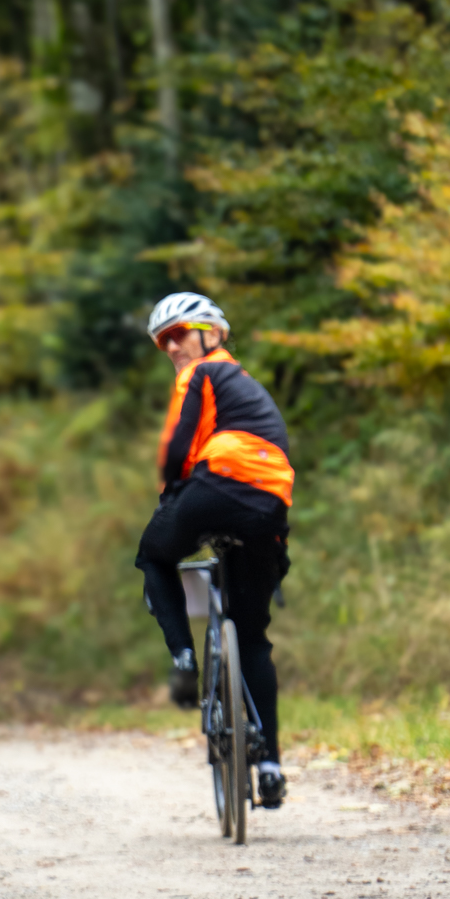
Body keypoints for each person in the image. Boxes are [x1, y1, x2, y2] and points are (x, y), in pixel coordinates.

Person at [135, 292, 293, 809]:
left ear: (212, 334)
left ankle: (184, 659)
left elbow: (179, 449)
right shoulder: (250, 388)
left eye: (178, 333)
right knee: (252, 639)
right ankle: (270, 765)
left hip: (219, 486)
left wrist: (168, 505)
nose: (171, 347)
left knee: (154, 554)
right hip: (270, 504)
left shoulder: (202, 373)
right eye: (163, 341)